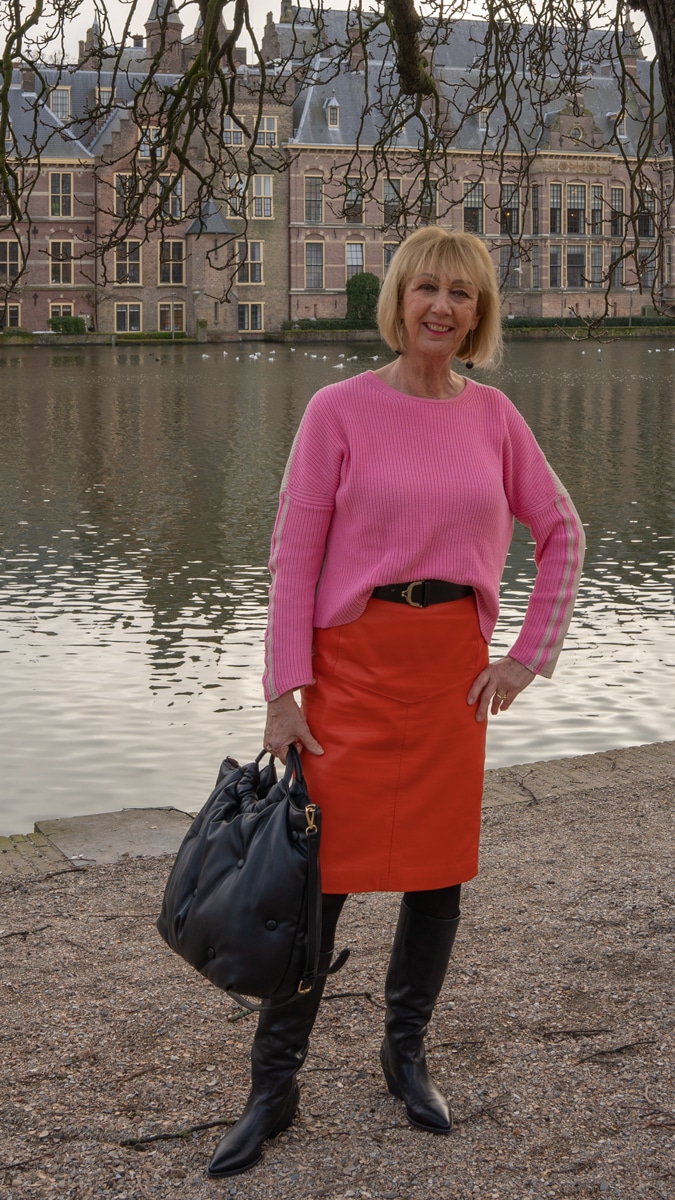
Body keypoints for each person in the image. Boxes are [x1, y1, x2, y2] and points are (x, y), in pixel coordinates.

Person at [207, 226, 585, 1178]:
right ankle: (273, 1087)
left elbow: (562, 532)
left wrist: (525, 660)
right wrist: (282, 692)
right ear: (398, 301)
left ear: (477, 312)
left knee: (436, 878)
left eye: (460, 293)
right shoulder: (336, 411)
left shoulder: (494, 417)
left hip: (449, 676)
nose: (441, 307)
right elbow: (292, 559)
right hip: (350, 675)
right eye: (426, 288)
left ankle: (404, 1055)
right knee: (314, 883)